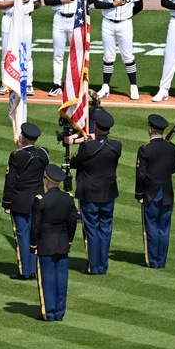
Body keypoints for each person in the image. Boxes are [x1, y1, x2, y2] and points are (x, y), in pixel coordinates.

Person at [67, 109, 121, 275]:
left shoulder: (87, 146)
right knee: (105, 231)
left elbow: (74, 163)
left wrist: (87, 139)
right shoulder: (117, 145)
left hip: (89, 194)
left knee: (91, 231)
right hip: (108, 194)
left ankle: (93, 266)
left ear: (96, 126)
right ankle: (102, 266)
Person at [31, 164, 79, 322]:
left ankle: (49, 312)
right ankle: (59, 312)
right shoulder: (68, 198)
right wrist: (69, 241)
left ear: (47, 181)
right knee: (61, 278)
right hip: (62, 243)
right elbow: (72, 223)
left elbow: (35, 225)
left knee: (47, 278)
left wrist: (33, 245)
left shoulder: (41, 200)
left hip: (46, 243)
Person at [1, 122, 49, 281]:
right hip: (38, 201)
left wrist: (6, 202)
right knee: (35, 235)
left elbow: (10, 181)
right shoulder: (43, 153)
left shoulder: (16, 156)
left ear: (23, 137)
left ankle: (25, 271)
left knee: (22, 236)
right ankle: (35, 270)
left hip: (20, 201)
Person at [94, 0, 144, 100]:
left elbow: (140, 5)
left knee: (128, 56)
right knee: (108, 56)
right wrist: (113, 5)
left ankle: (133, 86)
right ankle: (105, 86)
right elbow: (97, 4)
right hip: (108, 23)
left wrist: (128, 16)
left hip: (125, 23)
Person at [135, 114, 175, 268]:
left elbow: (140, 174)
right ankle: (161, 260)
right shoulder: (171, 147)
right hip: (167, 192)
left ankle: (153, 261)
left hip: (151, 193)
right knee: (164, 228)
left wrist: (139, 194)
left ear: (150, 130)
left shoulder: (145, 149)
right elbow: (174, 168)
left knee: (151, 227)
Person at [43, 0, 89, 97]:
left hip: (76, 20)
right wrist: (61, 1)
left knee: (77, 54)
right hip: (59, 19)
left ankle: (76, 84)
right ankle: (57, 85)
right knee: (58, 54)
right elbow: (47, 0)